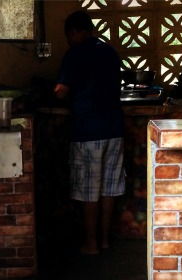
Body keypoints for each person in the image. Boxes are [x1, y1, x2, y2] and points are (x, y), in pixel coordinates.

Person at [54, 10, 125, 255]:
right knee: (109, 188)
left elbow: (61, 91)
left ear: (73, 32)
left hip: (88, 131)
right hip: (115, 130)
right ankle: (104, 240)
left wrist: (55, 91)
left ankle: (91, 244)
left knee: (89, 190)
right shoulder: (111, 52)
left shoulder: (74, 55)